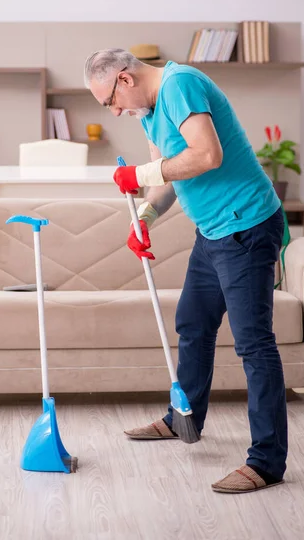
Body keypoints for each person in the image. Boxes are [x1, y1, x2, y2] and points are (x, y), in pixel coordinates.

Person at [84, 48, 287, 494]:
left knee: (254, 343)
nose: (115, 112)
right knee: (193, 323)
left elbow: (207, 154)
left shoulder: (181, 85)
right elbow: (168, 178)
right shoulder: (149, 110)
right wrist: (146, 217)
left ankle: (267, 461)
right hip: (213, 231)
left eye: (110, 102)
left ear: (124, 79)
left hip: (246, 225)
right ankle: (184, 418)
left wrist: (139, 171)